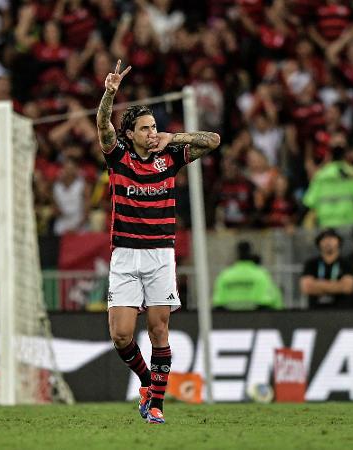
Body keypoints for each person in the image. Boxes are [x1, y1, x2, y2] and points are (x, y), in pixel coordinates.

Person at [96, 60, 220, 424]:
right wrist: (109, 94)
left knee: (158, 330)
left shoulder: (170, 158)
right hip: (125, 256)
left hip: (160, 255)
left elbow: (213, 141)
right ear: (130, 134)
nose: (153, 132)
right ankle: (149, 383)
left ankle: (156, 406)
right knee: (121, 336)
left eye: (154, 127)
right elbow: (102, 124)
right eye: (145, 128)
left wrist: (174, 137)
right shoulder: (118, 158)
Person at [212, 241, 284, 310]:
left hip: (228, 320)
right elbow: (271, 302)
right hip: (258, 319)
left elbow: (218, 303)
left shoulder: (225, 275)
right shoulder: (261, 275)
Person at [300, 228, 353, 309]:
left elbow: (348, 287)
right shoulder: (311, 263)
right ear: (319, 243)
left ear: (339, 242)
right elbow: (306, 288)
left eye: (332, 238)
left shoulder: (346, 263)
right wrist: (338, 285)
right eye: (324, 239)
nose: (328, 242)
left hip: (341, 312)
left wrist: (318, 284)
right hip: (315, 311)